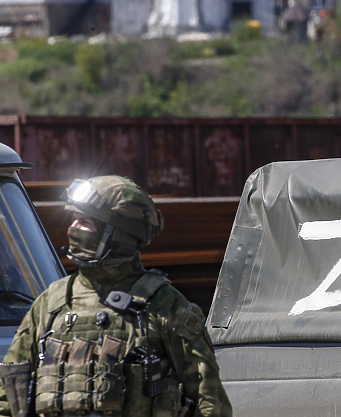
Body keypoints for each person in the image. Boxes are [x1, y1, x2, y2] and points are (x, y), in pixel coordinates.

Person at [0, 176, 232, 417]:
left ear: (118, 235)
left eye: (85, 221)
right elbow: (8, 398)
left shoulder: (164, 306)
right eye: (74, 220)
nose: (73, 229)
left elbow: (211, 404)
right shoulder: (50, 304)